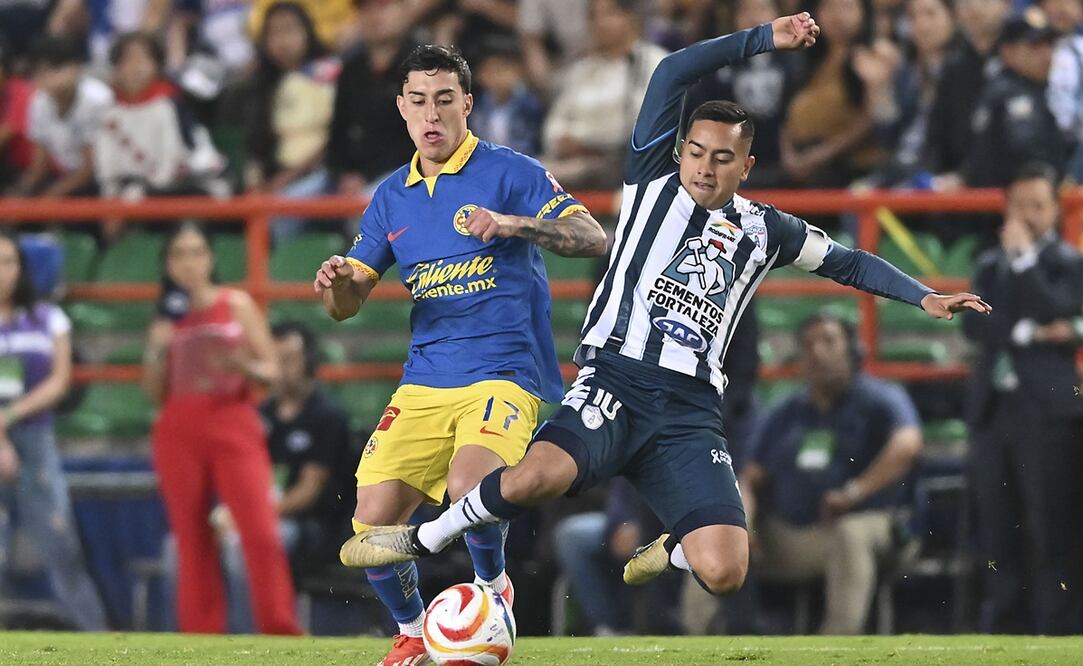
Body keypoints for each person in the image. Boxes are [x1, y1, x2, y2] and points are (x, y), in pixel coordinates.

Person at [337, 11, 989, 614]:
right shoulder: (650, 180)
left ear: (746, 165)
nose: (704, 167)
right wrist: (764, 37)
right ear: (679, 152)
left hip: (687, 415)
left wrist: (922, 294)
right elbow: (672, 70)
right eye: (696, 152)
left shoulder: (766, 229)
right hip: (612, 383)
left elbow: (846, 260)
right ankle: (424, 541)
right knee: (533, 476)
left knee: (725, 570)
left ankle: (672, 548)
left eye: (722, 157)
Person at [312, 45, 606, 665]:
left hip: (506, 369)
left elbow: (590, 236)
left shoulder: (510, 172)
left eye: (445, 99)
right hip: (425, 379)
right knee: (372, 519)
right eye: (418, 101)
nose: (432, 114)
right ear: (401, 108)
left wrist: (513, 224)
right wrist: (338, 281)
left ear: (468, 104)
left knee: (469, 485)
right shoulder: (391, 197)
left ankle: (493, 588)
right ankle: (414, 630)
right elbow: (348, 304)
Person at [144, 223, 301, 636]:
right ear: (167, 264)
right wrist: (157, 350)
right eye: (179, 253)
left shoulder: (236, 303)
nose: (189, 262)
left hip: (233, 421)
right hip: (178, 429)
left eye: (197, 251)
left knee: (261, 531)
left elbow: (270, 371)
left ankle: (280, 628)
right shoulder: (166, 318)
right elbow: (154, 392)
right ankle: (201, 636)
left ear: (210, 258)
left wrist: (242, 366)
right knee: (191, 539)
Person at [740, 311, 923, 635]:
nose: (818, 352)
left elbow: (907, 446)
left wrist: (854, 492)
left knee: (849, 535)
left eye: (829, 341)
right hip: (798, 536)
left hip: (876, 528)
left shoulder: (880, 398)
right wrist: (743, 525)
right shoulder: (787, 410)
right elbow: (750, 478)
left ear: (853, 350)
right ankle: (696, 644)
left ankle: (834, 649)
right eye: (808, 344)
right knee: (716, 536)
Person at [963, 162, 1083, 635]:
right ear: (1007, 209)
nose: (1029, 216)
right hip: (994, 410)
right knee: (998, 526)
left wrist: (1026, 261)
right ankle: (1004, 632)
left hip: (1049, 413)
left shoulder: (1069, 263)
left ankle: (1059, 632)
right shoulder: (989, 263)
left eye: (1039, 206)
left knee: (1051, 526)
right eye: (1021, 206)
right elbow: (975, 323)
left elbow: (1058, 308)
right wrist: (1030, 333)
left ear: (1054, 210)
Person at [0, 231, 108, 632]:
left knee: (63, 549)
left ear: (22, 269)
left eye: (9, 262)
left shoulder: (48, 317)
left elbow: (60, 382)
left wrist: (7, 419)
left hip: (36, 441)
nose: (2, 272)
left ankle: (101, 645)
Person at [540, 0, 667, 189]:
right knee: (528, 171)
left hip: (620, 162)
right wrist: (562, 142)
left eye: (608, 14)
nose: (599, 23)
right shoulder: (582, 69)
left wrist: (582, 140)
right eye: (593, 17)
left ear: (630, 17)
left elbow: (637, 123)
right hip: (571, 162)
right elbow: (553, 126)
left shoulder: (654, 63)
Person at [94, 32, 228, 200]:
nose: (136, 67)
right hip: (126, 191)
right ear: (116, 67)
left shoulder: (168, 104)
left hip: (170, 188)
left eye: (143, 59)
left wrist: (150, 189)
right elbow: (106, 169)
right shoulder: (109, 114)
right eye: (128, 59)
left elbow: (173, 158)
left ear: (157, 65)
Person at [780, 0, 881, 187]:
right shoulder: (806, 59)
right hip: (801, 160)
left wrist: (820, 155)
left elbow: (870, 120)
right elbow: (787, 118)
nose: (837, 16)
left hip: (846, 164)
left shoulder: (873, 56)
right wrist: (789, 157)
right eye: (830, 7)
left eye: (846, 7)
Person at [961, 11, 1066, 187]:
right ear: (1008, 52)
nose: (1047, 55)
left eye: (1049, 44)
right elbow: (1028, 157)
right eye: (1035, 45)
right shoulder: (1012, 94)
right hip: (1012, 205)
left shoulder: (1028, 89)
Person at [326, 0, 420, 195]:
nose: (374, 16)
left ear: (404, 11)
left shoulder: (426, 65)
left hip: (412, 171)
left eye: (383, 6)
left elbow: (424, 140)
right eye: (365, 9)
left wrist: (365, 176)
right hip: (351, 176)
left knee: (365, 212)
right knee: (281, 212)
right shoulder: (351, 68)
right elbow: (338, 132)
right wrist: (343, 174)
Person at [923, 0, 1011, 189]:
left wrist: (966, 176)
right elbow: (936, 135)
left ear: (1007, 5)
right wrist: (932, 177)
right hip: (952, 187)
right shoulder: (953, 67)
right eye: (965, 2)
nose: (974, 7)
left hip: (1007, 184)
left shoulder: (1022, 61)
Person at [11, 37, 112, 198]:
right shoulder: (40, 101)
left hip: (102, 179)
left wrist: (50, 197)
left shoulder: (97, 99)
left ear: (75, 67)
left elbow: (90, 168)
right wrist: (21, 192)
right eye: (42, 72)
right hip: (65, 175)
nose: (48, 78)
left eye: (55, 69)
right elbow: (40, 161)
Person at [470, 46, 545, 157]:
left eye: (502, 70)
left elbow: (528, 145)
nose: (497, 77)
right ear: (480, 75)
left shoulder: (529, 105)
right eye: (490, 71)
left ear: (518, 71)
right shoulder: (477, 106)